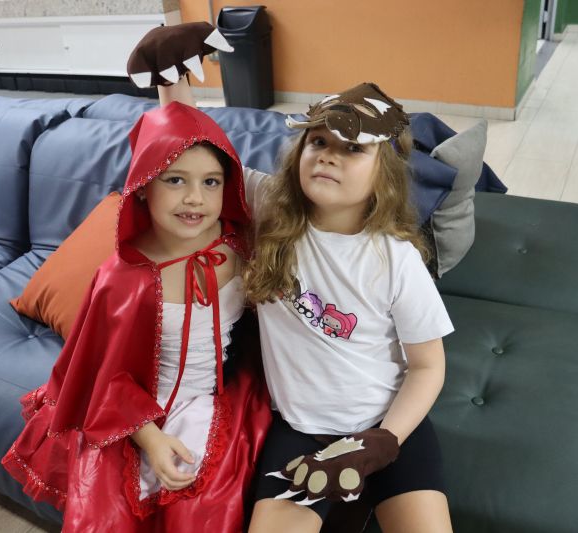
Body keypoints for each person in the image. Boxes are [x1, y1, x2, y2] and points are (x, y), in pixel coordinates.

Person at [129, 22, 454, 533]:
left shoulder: (396, 259)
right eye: (317, 140)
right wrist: (172, 78)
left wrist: (383, 441)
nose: (328, 153)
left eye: (353, 148)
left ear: (384, 174)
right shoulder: (267, 209)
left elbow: (428, 366)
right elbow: (191, 152)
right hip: (301, 434)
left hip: (389, 430)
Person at [1, 94, 271, 532]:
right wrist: (150, 437)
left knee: (203, 512)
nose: (195, 198)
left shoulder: (237, 246)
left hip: (220, 398)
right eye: (175, 180)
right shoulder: (123, 278)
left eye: (211, 182)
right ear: (143, 185)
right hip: (136, 413)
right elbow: (103, 374)